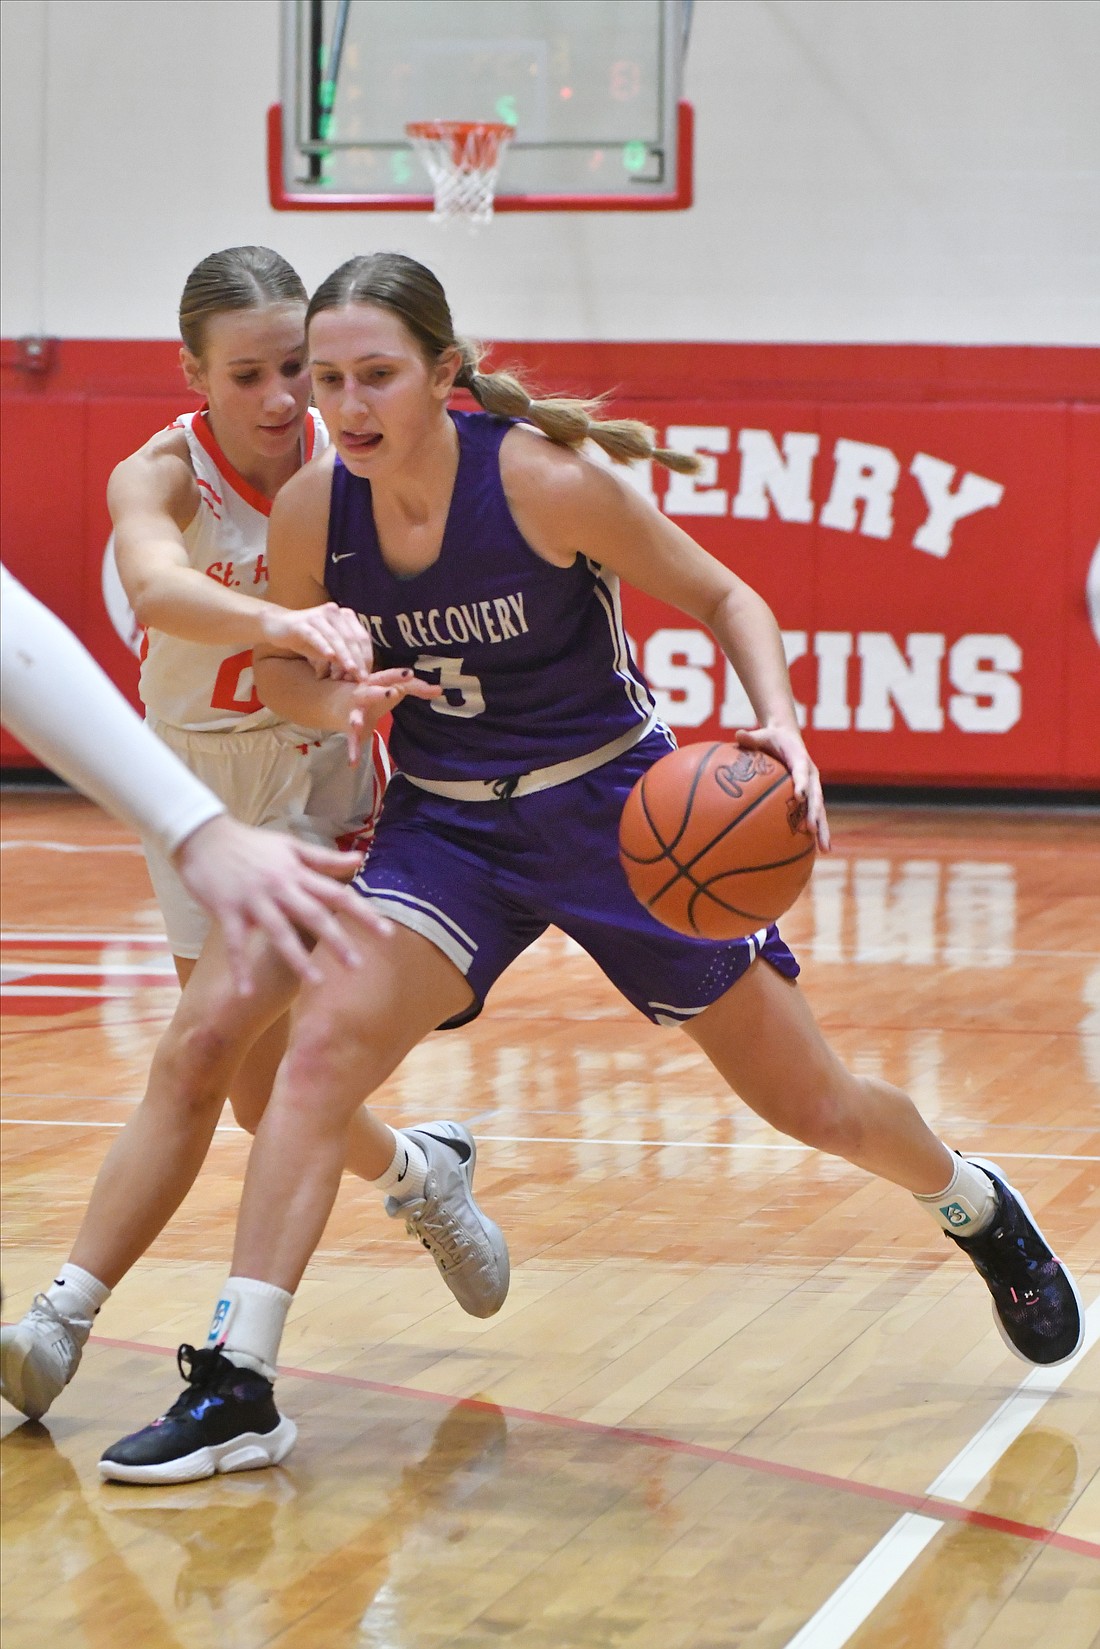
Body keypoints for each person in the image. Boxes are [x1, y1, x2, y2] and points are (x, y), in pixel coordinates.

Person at [97, 252, 1083, 1486]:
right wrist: (332, 686)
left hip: (614, 814)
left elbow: (727, 597)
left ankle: (970, 1198)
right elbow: (291, 675)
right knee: (317, 1054)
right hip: (446, 829)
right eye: (330, 378)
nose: (344, 405)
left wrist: (776, 721)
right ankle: (240, 1379)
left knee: (810, 1103)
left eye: (374, 377)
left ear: (443, 375)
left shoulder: (542, 483)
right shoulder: (312, 511)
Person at [0, 248, 509, 1430]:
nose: (284, 398)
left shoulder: (354, 461)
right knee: (250, 1088)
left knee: (195, 1052)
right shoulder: (164, 472)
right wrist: (276, 616)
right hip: (185, 792)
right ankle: (423, 1173)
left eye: (297, 366)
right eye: (250, 374)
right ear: (194, 375)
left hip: (320, 786)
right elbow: (155, 583)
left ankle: (57, 1318)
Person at [0, 562, 386, 984]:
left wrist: (343, 704)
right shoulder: (175, 493)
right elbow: (149, 589)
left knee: (234, 1016)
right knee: (208, 1038)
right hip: (184, 754)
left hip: (305, 756)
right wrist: (277, 621)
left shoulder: (322, 500)